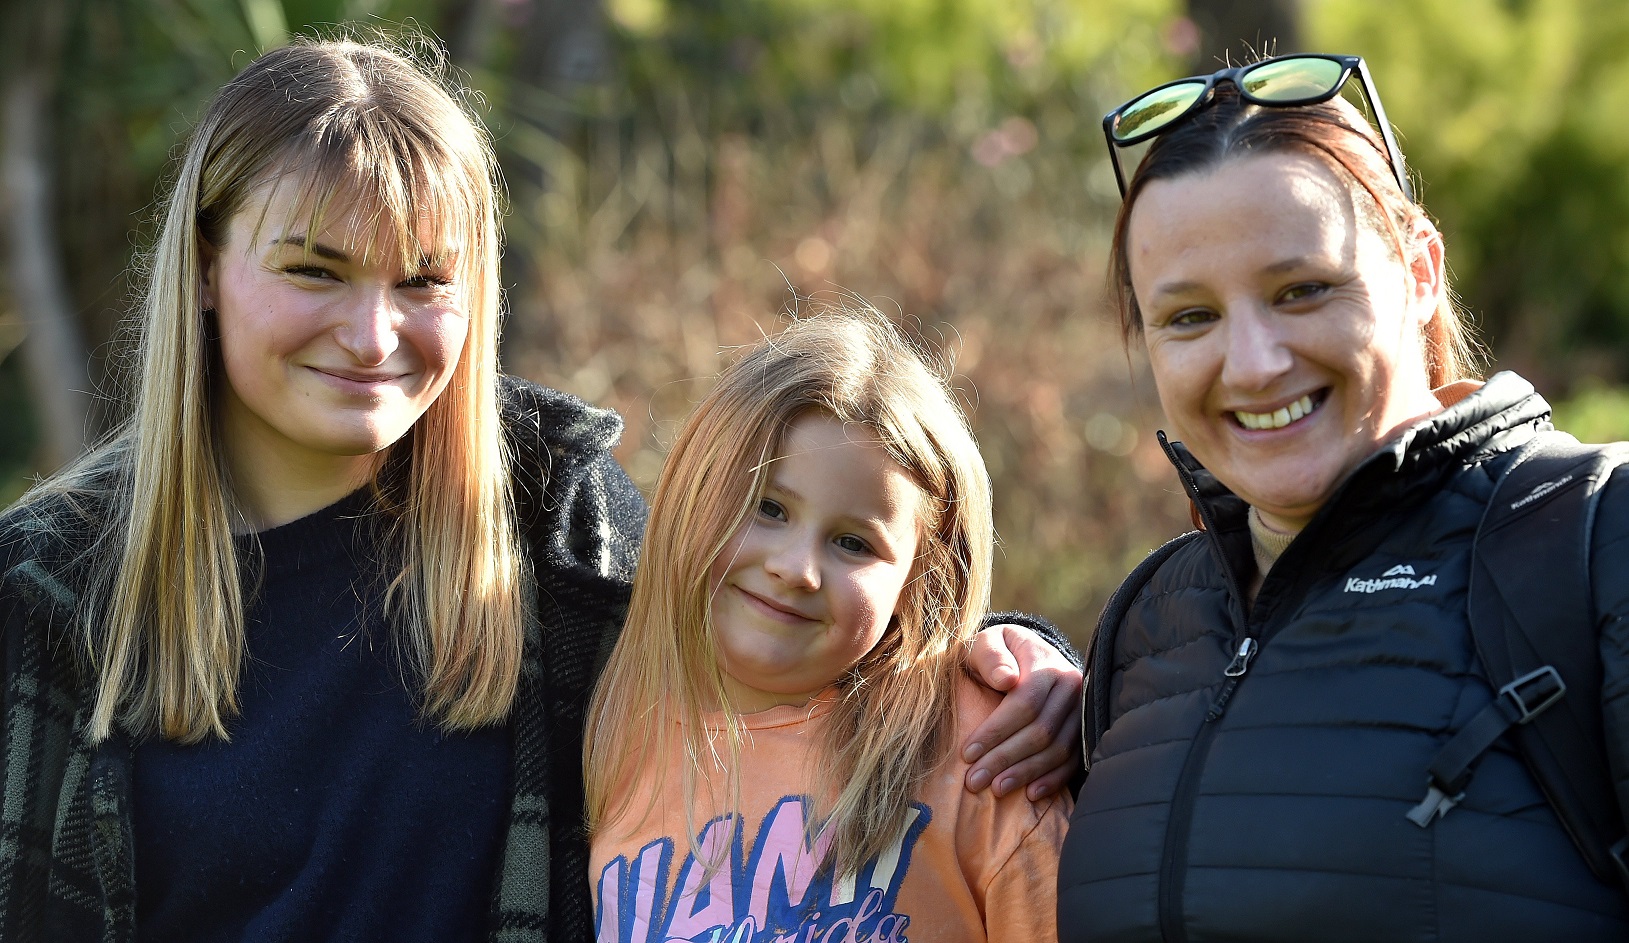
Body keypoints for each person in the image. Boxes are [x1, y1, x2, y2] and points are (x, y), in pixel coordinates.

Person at [0, 37, 1081, 943]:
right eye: (314, 269)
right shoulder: (45, 591)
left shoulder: (548, 516)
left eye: (425, 278)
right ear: (201, 265)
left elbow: (776, 650)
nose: (373, 335)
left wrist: (1023, 672)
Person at [1057, 53, 1629, 940]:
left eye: (1302, 290)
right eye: (1188, 316)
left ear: (1421, 271)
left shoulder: (1597, 538)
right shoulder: (1148, 622)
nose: (1252, 363)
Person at [584, 311, 1070, 942]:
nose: (795, 568)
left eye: (852, 542)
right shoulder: (603, 721)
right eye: (767, 507)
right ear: (690, 493)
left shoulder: (992, 752)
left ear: (921, 579)